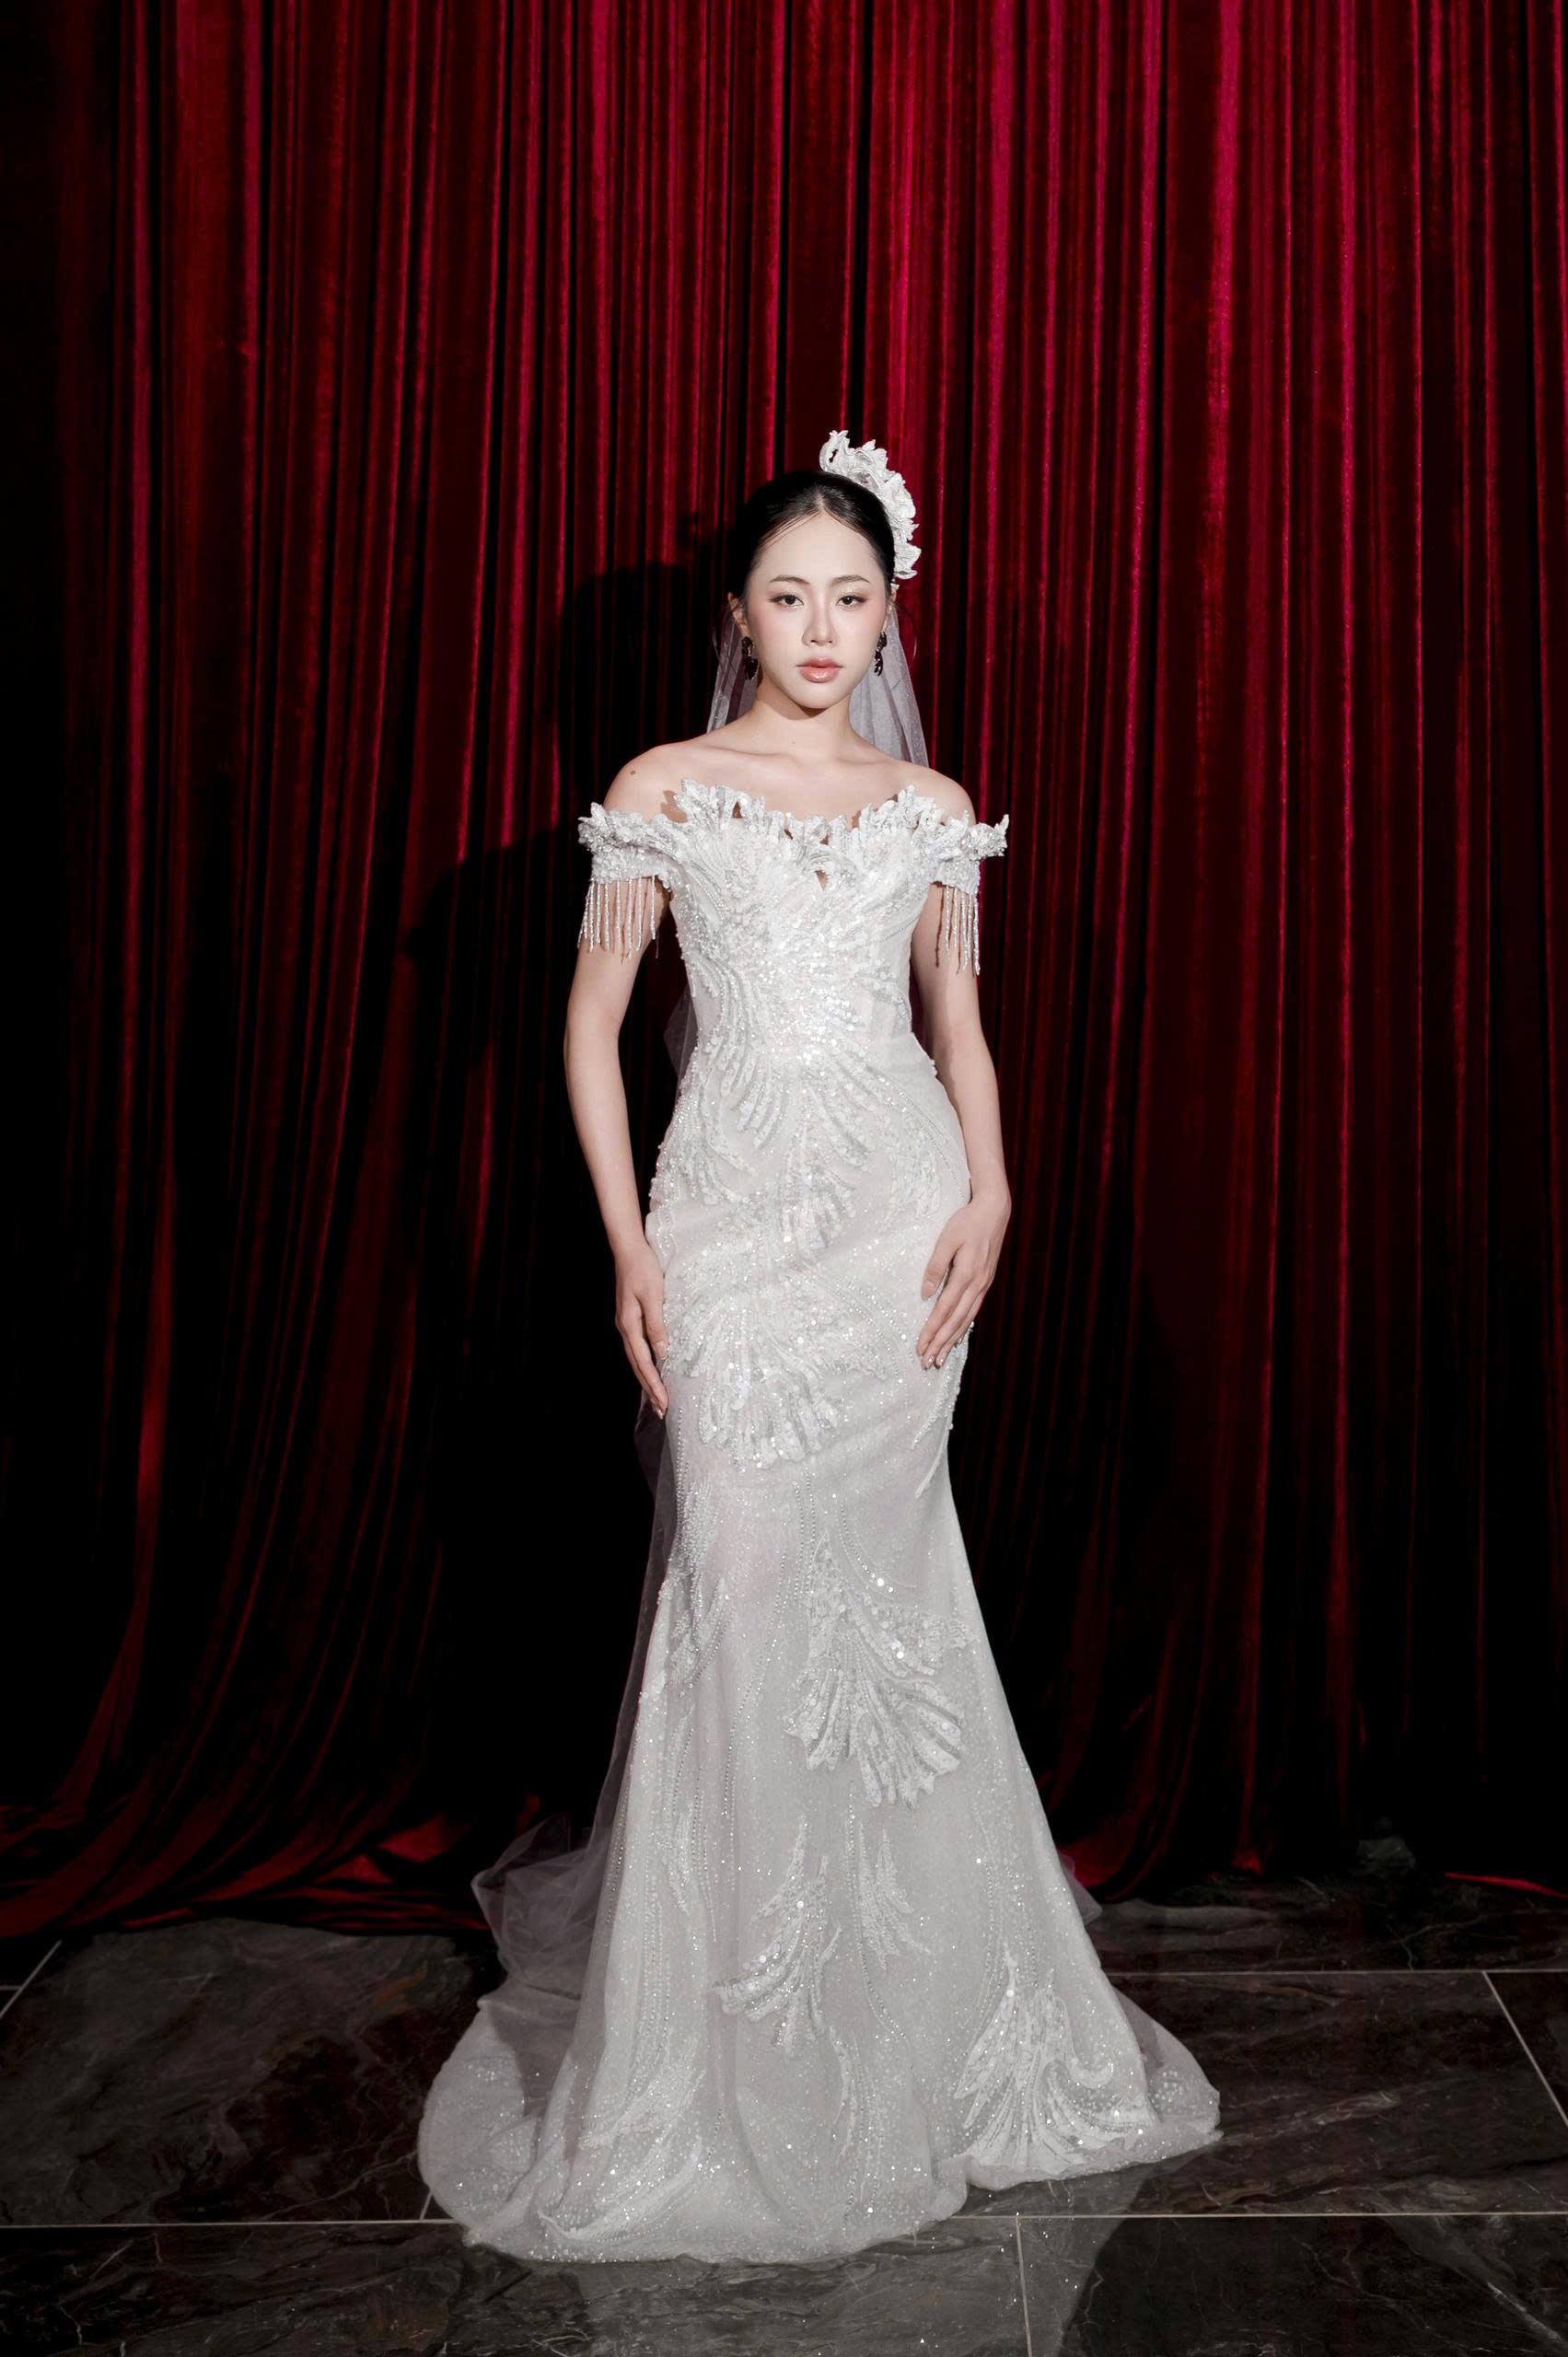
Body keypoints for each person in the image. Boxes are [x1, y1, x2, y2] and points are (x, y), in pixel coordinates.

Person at [417, 432, 1221, 2264]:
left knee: (889, 1595)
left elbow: (959, 1022)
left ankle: (919, 2016)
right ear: (740, 614)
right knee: (738, 1579)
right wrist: (630, 1244)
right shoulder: (666, 789)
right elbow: (592, 1022)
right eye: (788, 595)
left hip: (894, 1225)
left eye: (852, 597)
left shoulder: (931, 807)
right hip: (725, 1226)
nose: (821, 627)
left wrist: (996, 1189)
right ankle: (726, 2042)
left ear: (889, 613)